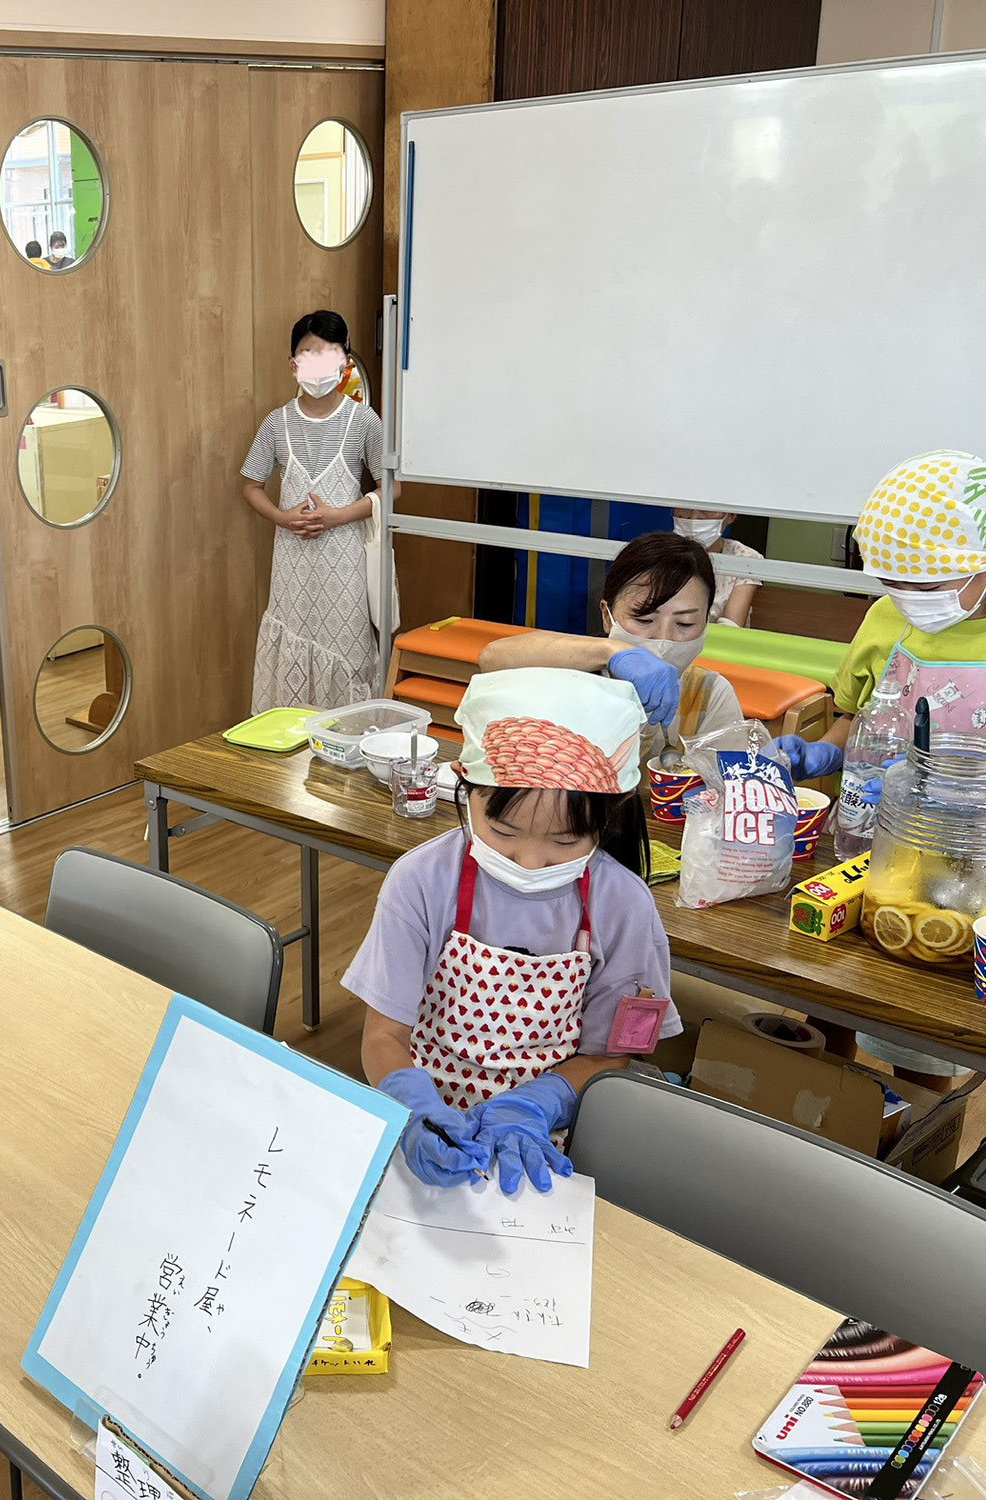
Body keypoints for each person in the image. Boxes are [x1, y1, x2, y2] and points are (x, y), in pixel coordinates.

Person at [769, 450, 986, 1087]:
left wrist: (963, 801)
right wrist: (826, 752)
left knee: (928, 1028)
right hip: (862, 845)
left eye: (928, 585)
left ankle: (918, 1141)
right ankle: (828, 1108)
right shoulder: (886, 617)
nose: (908, 599)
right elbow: (851, 716)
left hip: (968, 875)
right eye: (895, 582)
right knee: (827, 995)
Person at [346, 669, 677, 1194]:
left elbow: (610, 1056)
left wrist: (533, 1106)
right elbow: (384, 1035)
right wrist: (413, 1108)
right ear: (464, 785)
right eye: (503, 832)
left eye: (566, 841)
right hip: (429, 1129)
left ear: (608, 816)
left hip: (547, 1142)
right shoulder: (421, 881)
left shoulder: (623, 906)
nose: (530, 862)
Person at [477, 531, 743, 769]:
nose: (664, 639)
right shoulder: (573, 672)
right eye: (644, 620)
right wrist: (611, 652)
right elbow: (492, 658)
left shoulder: (709, 696)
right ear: (607, 616)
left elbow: (733, 789)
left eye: (685, 623)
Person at [239, 309, 393, 711]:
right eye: (309, 354)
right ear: (293, 363)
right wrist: (282, 517)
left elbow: (392, 489)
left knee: (348, 648)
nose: (319, 364)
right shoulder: (276, 423)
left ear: (344, 363)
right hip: (292, 562)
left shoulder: (364, 421)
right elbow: (251, 486)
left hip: (344, 560)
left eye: (329, 354)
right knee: (292, 638)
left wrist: (340, 515)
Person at [674, 509, 762, 626]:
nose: (694, 517)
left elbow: (731, 626)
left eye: (708, 509)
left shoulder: (745, 557)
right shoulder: (656, 553)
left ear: (731, 516)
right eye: (686, 505)